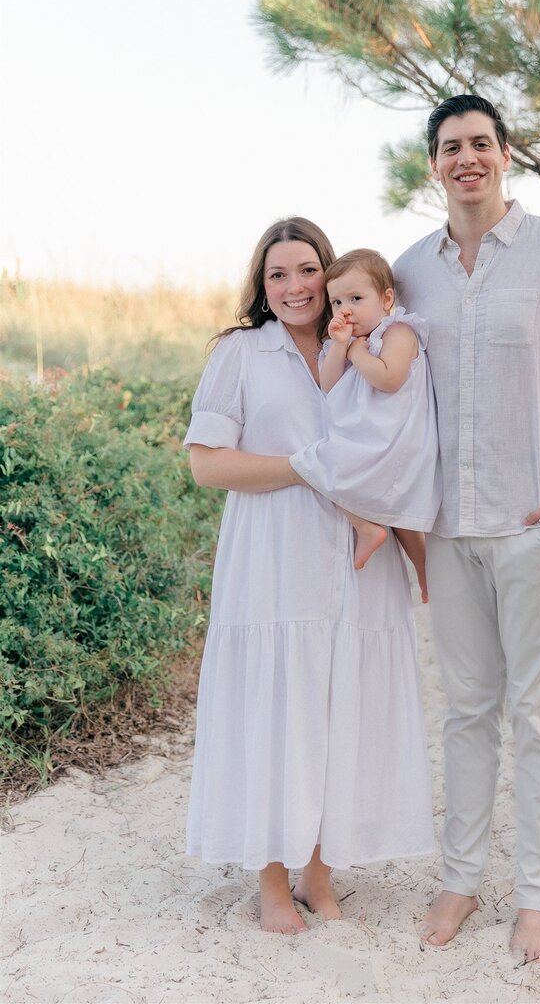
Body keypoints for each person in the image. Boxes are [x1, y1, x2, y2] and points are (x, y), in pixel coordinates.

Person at [392, 95, 540, 964]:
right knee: (465, 712)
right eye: (451, 146)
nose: (467, 158)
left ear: (505, 156)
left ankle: (538, 895)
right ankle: (459, 878)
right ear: (433, 164)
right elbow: (391, 400)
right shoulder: (408, 270)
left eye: (481, 144)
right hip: (450, 531)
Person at [184, 217, 435, 935]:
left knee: (339, 711)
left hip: (362, 562)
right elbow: (207, 463)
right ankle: (270, 880)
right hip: (272, 557)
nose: (294, 287)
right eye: (276, 275)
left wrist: (418, 553)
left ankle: (319, 872)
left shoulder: (370, 344)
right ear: (261, 287)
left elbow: (400, 453)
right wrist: (310, 472)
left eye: (306, 271)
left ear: (330, 275)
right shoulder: (241, 353)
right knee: (274, 710)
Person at [290, 248, 441, 603]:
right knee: (324, 466)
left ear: (386, 298)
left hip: (396, 436)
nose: (346, 310)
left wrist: (358, 352)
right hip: (370, 434)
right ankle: (371, 530)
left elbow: (388, 378)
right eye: (337, 301)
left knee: (320, 464)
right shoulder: (345, 341)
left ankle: (421, 568)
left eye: (356, 298)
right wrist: (341, 348)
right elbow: (329, 384)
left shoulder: (398, 332)